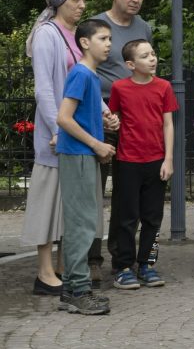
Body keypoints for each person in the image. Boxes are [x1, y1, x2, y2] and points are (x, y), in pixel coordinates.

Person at [23, 0, 93, 296]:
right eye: (76, 0)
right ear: (59, 1)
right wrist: (56, 129)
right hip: (57, 137)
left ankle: (65, 268)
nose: (82, 5)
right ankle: (44, 272)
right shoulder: (46, 35)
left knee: (69, 206)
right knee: (48, 204)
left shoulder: (74, 35)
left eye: (83, 0)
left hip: (75, 134)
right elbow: (44, 90)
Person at [91, 0, 153, 283]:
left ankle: (122, 259)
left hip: (134, 117)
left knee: (127, 195)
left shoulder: (144, 28)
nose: (135, 0)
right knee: (94, 190)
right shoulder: (96, 25)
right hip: (101, 115)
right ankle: (91, 259)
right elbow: (86, 68)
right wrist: (101, 111)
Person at [55, 19, 116, 315]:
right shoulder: (81, 73)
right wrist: (96, 144)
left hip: (83, 154)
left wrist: (103, 124)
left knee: (84, 221)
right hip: (77, 155)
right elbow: (63, 118)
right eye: (103, 38)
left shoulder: (90, 75)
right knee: (82, 223)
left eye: (110, 39)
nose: (108, 44)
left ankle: (71, 289)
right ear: (84, 42)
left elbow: (77, 117)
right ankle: (79, 290)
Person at [107, 39, 178, 290]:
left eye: (153, 54)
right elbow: (113, 118)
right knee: (126, 217)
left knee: (153, 218)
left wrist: (168, 159)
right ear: (130, 64)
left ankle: (147, 264)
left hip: (156, 161)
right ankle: (123, 267)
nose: (152, 59)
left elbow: (168, 124)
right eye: (145, 56)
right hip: (127, 161)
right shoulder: (119, 88)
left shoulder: (164, 87)